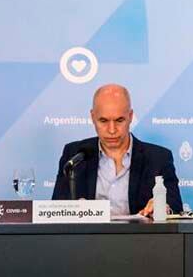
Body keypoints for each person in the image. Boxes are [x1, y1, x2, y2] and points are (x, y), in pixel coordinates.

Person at [52, 84, 183, 217]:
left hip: (139, 231)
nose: (112, 130)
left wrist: (163, 207)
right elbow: (57, 209)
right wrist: (74, 208)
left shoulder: (158, 158)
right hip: (89, 231)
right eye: (103, 121)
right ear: (92, 117)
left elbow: (175, 207)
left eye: (119, 120)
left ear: (130, 116)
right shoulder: (74, 155)